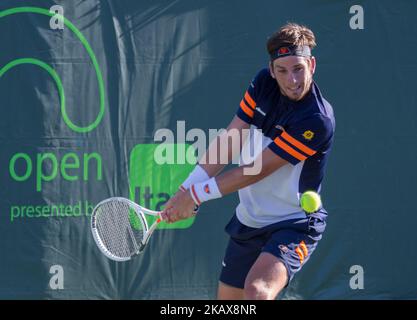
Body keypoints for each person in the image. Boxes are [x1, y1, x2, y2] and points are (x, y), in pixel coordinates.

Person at [161, 22, 335, 300]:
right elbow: (230, 140)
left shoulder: (317, 120)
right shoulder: (262, 83)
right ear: (271, 71)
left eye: (298, 69)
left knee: (257, 292)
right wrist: (185, 189)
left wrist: (195, 195)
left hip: (294, 223)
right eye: (282, 70)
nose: (292, 80)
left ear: (311, 65)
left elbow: (257, 171)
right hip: (250, 220)